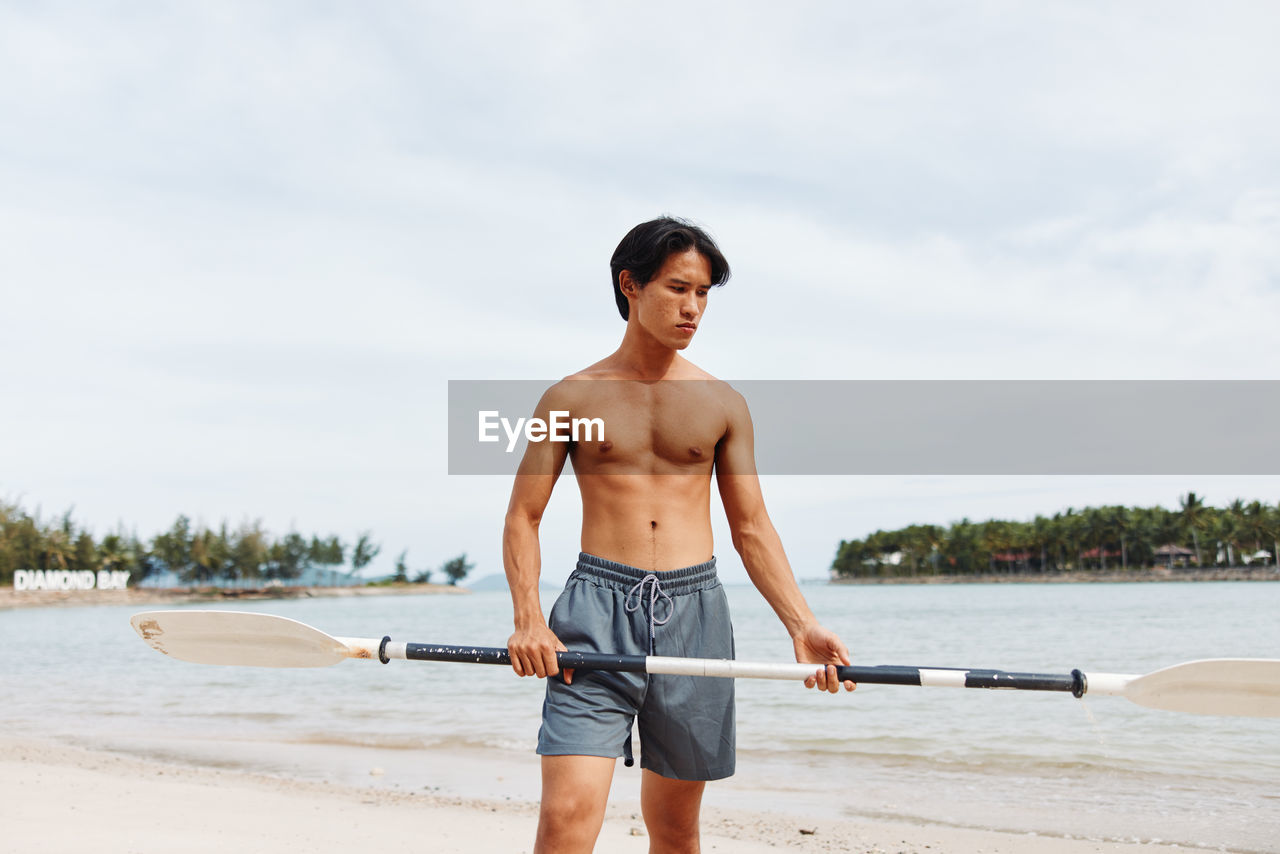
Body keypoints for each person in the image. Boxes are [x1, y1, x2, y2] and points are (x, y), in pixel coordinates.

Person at [503, 216, 854, 854]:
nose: (692, 307)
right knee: (565, 820)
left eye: (703, 294)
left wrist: (801, 624)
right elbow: (524, 516)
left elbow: (750, 525)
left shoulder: (723, 403)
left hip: (696, 612)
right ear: (629, 285)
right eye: (678, 289)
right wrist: (529, 616)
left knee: (675, 829)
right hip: (593, 614)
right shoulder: (569, 398)